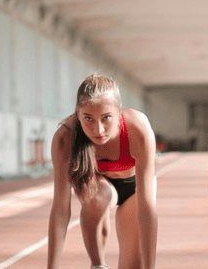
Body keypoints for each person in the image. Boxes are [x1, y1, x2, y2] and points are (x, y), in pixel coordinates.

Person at [47, 74, 158, 269]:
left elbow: (147, 208)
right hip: (97, 186)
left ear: (119, 112)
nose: (98, 129)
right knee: (103, 195)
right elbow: (60, 210)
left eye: (106, 118)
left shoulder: (137, 129)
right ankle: (98, 264)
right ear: (77, 113)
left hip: (134, 190)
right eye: (88, 118)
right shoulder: (65, 138)